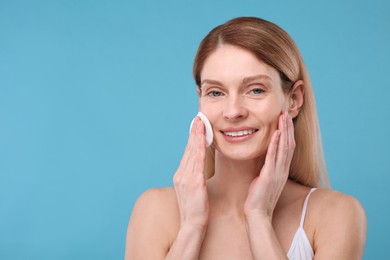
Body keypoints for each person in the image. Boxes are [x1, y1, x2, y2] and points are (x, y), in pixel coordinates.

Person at [125, 17, 367, 259]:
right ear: (200, 99)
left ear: (294, 99)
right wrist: (191, 226)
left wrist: (259, 218)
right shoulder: (154, 210)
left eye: (255, 90)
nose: (233, 111)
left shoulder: (336, 214)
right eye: (216, 92)